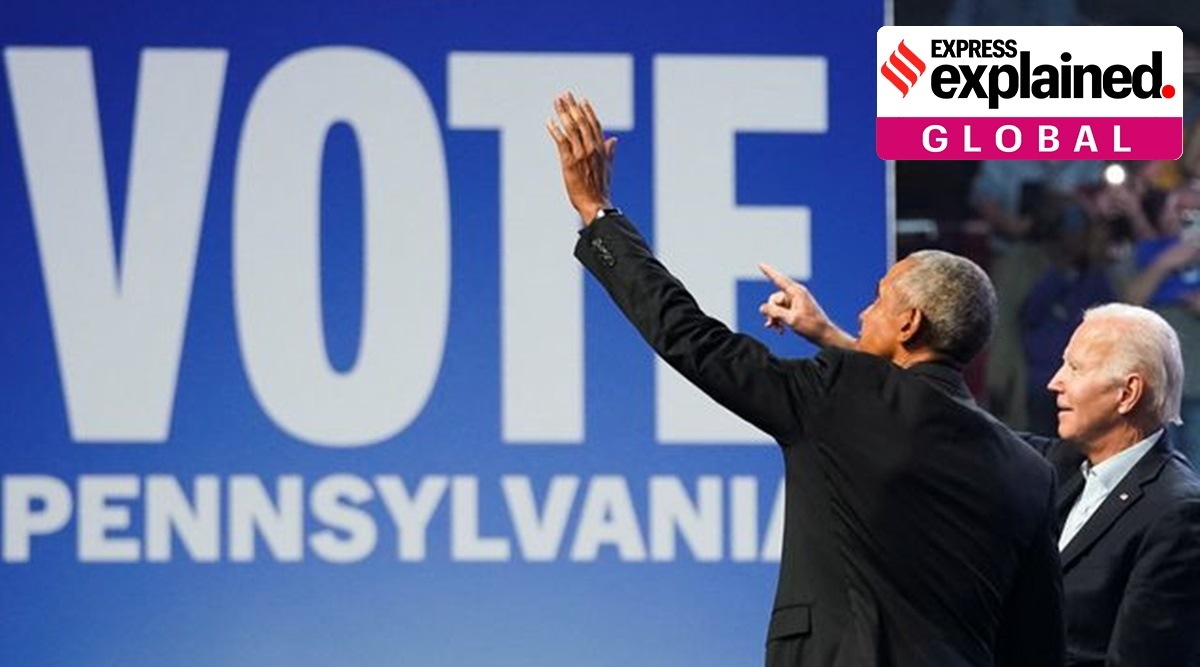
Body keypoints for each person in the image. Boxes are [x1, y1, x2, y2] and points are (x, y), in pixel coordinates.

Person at [546, 92, 1064, 667]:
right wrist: (832, 336)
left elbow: (690, 337)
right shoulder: (1027, 472)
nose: (863, 313)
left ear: (910, 323)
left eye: (879, 300)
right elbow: (1036, 647)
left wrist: (597, 211)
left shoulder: (838, 394)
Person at [1025, 304, 1200, 667]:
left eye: (1075, 368)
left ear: (1128, 393)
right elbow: (979, 442)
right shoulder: (1062, 464)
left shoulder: (1176, 514)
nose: (1055, 382)